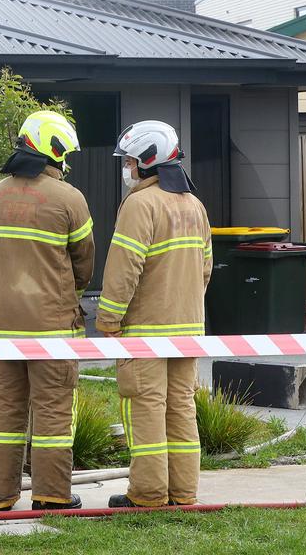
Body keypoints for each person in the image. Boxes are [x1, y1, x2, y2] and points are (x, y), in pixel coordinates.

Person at [0, 111, 94, 511]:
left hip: (1, 329)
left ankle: (0, 496)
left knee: (5, 415)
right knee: (52, 415)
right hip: (52, 331)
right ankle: (50, 495)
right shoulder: (69, 198)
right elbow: (84, 264)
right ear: (55, 150)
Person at [97, 120, 211, 508]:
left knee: (145, 407)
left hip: (146, 330)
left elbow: (123, 269)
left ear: (148, 161)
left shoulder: (140, 204)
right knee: (181, 407)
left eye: (129, 161)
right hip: (189, 328)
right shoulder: (194, 205)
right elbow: (206, 267)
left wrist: (109, 321)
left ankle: (146, 494)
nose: (126, 168)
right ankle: (183, 492)